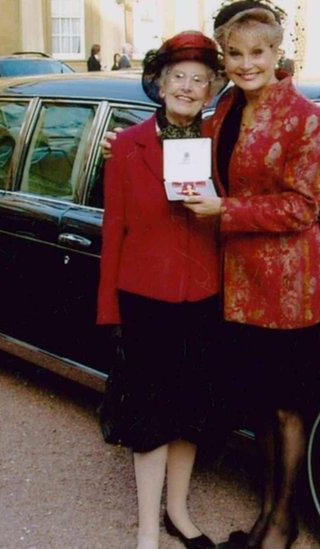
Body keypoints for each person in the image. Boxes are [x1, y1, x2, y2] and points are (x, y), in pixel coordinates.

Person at [182, 2, 320, 547]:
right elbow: (194, 158)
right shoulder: (225, 110)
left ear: (277, 53)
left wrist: (227, 210)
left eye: (258, 53)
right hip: (240, 286)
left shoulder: (306, 118)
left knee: (288, 409)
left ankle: (284, 521)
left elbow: (302, 207)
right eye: (236, 54)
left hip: (289, 289)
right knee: (263, 407)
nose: (247, 64)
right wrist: (131, 150)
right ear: (226, 55)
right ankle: (269, 510)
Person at [96, 31, 222, 549]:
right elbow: (114, 231)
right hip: (145, 300)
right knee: (149, 416)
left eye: (198, 79)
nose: (188, 88)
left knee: (188, 413)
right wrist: (111, 311)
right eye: (179, 78)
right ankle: (149, 525)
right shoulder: (126, 146)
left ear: (211, 86)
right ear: (161, 83)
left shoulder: (220, 144)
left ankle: (178, 512)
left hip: (202, 298)